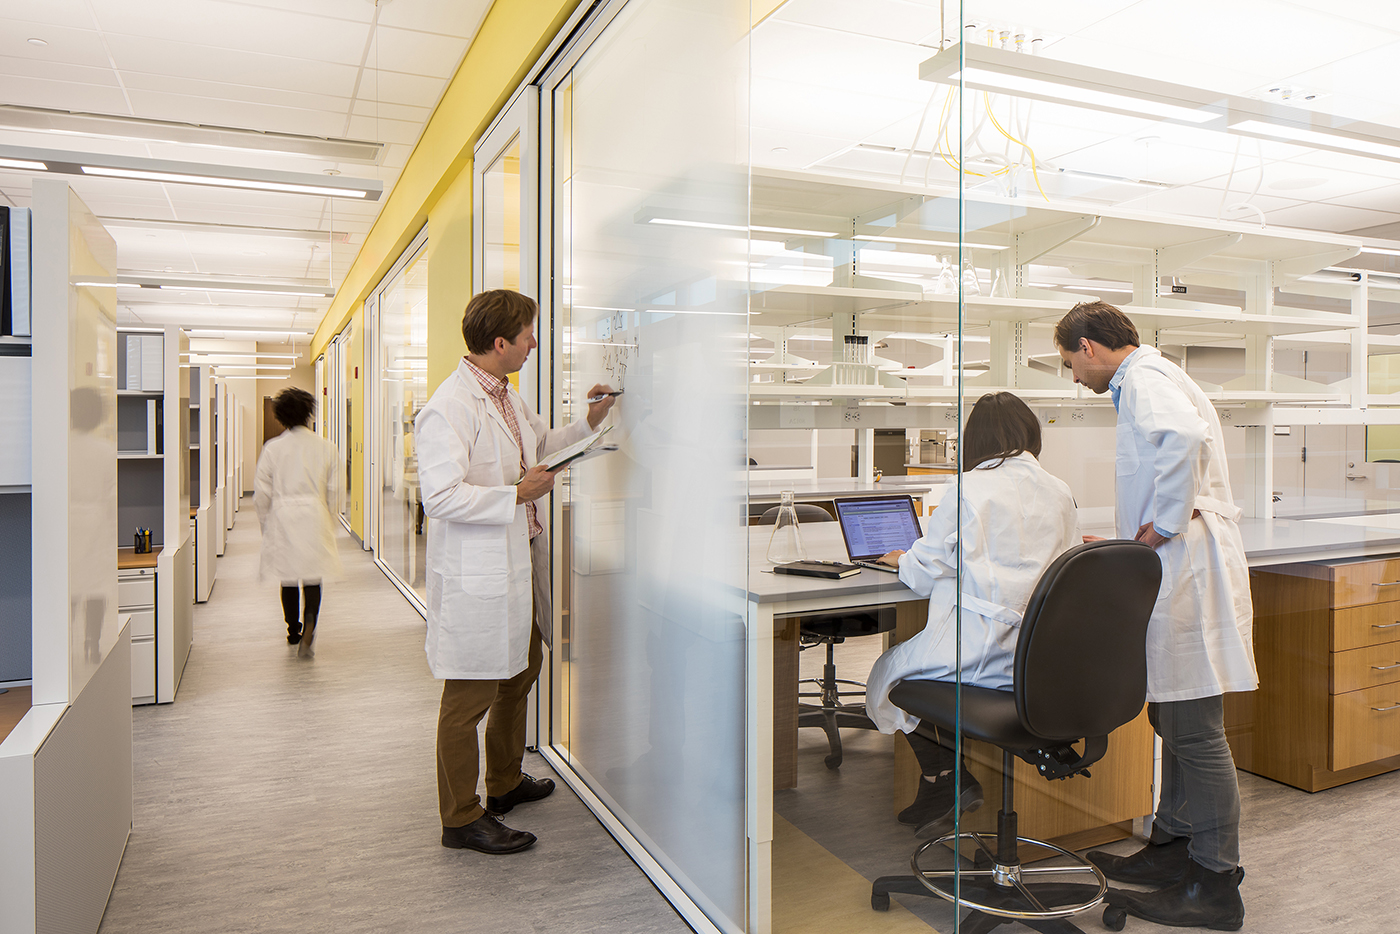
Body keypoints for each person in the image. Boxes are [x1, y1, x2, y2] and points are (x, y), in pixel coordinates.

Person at [1055, 301, 1256, 931]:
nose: (1072, 377)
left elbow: (1185, 440)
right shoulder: (1150, 376)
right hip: (1176, 562)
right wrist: (1128, 541)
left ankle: (1216, 881)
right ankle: (1173, 847)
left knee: (1195, 728)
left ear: (1089, 346)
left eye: (1068, 363)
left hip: (1187, 564)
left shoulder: (1142, 378)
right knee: (1171, 715)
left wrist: (1165, 523)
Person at [415, 289, 616, 855]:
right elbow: (441, 497)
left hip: (519, 563)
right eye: (528, 334)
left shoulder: (506, 396)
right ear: (500, 342)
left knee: (522, 670)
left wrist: (589, 421)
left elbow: (543, 447)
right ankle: (460, 818)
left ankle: (502, 784)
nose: (534, 342)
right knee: (467, 700)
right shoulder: (448, 408)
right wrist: (514, 493)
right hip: (479, 575)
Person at [865, 392, 1079, 839]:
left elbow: (923, 575)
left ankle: (946, 776)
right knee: (909, 667)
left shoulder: (968, 488)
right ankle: (943, 781)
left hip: (980, 653)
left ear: (973, 440)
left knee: (889, 674)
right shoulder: (1059, 490)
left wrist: (900, 558)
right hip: (1041, 660)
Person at [253, 387, 342, 659]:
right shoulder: (327, 447)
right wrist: (331, 522)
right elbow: (336, 490)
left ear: (281, 417)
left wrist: (265, 526)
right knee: (313, 578)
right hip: (315, 515)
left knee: (289, 578)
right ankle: (310, 628)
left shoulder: (273, 448)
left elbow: (262, 493)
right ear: (309, 413)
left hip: (283, 516)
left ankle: (293, 630)